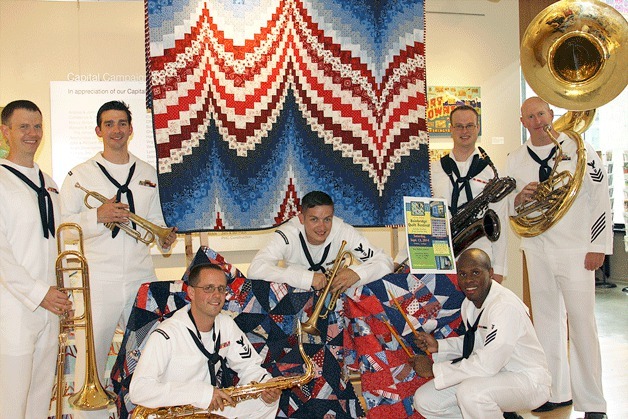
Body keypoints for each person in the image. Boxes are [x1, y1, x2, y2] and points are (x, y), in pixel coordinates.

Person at [60, 100, 177, 418]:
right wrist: (97, 216)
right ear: (98, 131)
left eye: (122, 123)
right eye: (109, 124)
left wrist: (163, 236)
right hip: (98, 279)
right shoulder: (79, 175)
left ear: (131, 129)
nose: (116, 130)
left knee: (149, 351)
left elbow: (155, 225)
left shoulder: (148, 173)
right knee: (91, 360)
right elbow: (62, 229)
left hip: (141, 276)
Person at [505, 97, 612, 419]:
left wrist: (599, 245)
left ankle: (593, 402)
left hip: (577, 250)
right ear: (523, 122)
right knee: (547, 325)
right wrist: (518, 199)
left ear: (552, 115)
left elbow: (599, 196)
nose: (538, 121)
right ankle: (555, 392)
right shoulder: (515, 159)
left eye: (542, 114)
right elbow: (508, 205)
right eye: (531, 117)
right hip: (537, 249)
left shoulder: (580, 149)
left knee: (582, 326)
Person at [410, 248, 551, 418]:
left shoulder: (503, 306)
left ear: (490, 273)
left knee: (471, 394)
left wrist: (434, 370)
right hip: (494, 375)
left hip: (527, 380)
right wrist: (439, 346)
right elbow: (477, 343)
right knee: (425, 400)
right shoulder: (470, 303)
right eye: (462, 274)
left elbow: (487, 363)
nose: (468, 280)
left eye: (475, 272)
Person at [130, 263, 281, 418]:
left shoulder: (226, 325)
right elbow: (139, 390)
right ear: (191, 292)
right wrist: (201, 393)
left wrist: (266, 387)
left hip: (205, 406)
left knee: (264, 402)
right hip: (171, 411)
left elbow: (249, 367)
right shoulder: (166, 334)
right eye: (208, 288)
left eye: (221, 289)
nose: (216, 295)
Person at [0, 100, 72, 417]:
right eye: (24, 126)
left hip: (49, 308)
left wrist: (62, 293)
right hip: (14, 308)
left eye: (38, 126)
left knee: (40, 399)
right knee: (11, 402)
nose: (33, 133)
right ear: (6, 132)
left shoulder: (51, 184)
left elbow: (58, 245)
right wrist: (39, 293)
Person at [399, 105, 509, 282]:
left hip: (480, 254)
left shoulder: (491, 173)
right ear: (451, 129)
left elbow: (499, 221)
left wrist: (500, 269)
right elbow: (419, 219)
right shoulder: (432, 171)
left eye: (469, 125)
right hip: (439, 256)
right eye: (458, 126)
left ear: (477, 128)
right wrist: (404, 258)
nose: (464, 131)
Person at [247, 190, 393, 292]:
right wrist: (306, 278)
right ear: (301, 218)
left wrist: (356, 273)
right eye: (314, 219)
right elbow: (256, 269)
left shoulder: (344, 231)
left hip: (337, 298)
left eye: (327, 219)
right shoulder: (287, 235)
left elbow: (385, 262)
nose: (322, 227)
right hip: (297, 297)